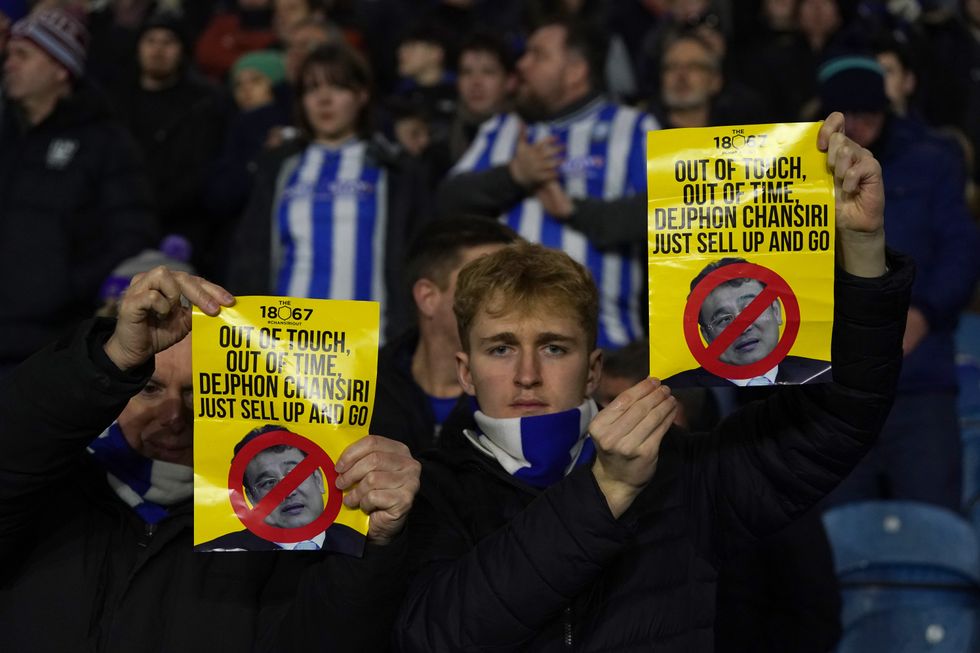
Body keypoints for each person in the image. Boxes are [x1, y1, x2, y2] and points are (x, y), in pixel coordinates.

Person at [394, 112, 913, 650]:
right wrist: (608, 488)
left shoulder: (683, 472)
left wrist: (862, 246)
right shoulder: (428, 489)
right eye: (501, 349)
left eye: (554, 348)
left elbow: (841, 417)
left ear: (593, 370)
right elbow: (437, 638)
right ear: (466, 372)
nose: (527, 375)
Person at [0, 266, 421, 652]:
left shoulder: (277, 525)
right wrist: (110, 358)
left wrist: (373, 547)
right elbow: (16, 442)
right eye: (148, 388)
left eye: (195, 393)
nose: (172, 416)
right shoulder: (48, 489)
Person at [818, 54, 980, 511]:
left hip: (918, 378)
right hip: (835, 385)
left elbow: (962, 249)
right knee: (839, 530)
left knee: (934, 521)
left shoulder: (931, 161)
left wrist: (924, 313)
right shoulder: (802, 169)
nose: (859, 127)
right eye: (849, 116)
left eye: (869, 114)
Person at [437, 16, 659, 350]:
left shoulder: (633, 128)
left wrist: (575, 211)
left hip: (608, 344)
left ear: (575, 71)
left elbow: (667, 213)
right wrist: (514, 175)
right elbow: (448, 201)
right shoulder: (503, 129)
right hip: (508, 346)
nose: (522, 65)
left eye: (538, 55)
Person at [228, 42, 428, 340]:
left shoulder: (396, 169)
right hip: (285, 342)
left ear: (362, 95)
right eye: (312, 89)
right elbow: (251, 253)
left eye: (337, 87)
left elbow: (417, 256)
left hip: (371, 343)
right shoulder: (279, 167)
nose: (324, 99)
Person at [0, 7, 156, 374]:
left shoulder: (105, 142)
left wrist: (65, 287)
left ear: (60, 68)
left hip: (51, 344)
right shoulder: (5, 133)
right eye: (9, 55)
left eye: (23, 55)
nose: (9, 64)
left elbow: (133, 232)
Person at [370, 217, 519, 453]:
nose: (512, 300)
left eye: (515, 286)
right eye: (487, 284)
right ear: (428, 298)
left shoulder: (527, 389)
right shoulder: (359, 388)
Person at [111, 10, 229, 277]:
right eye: (151, 40)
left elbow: (201, 173)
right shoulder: (115, 101)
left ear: (182, 50)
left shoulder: (203, 104)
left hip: (182, 229)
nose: (158, 50)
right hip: (120, 222)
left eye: (168, 42)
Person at [664, 257, 832, 387]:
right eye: (724, 319)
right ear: (706, 335)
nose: (743, 328)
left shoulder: (825, 373)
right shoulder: (675, 390)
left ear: (776, 311)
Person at [196, 425, 364, 553]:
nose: (288, 492)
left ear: (318, 480)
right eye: (268, 482)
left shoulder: (362, 544)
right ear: (252, 498)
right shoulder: (215, 553)